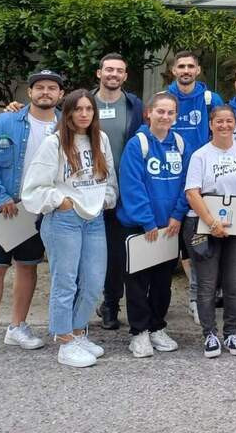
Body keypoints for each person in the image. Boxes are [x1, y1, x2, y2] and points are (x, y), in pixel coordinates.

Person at [0, 69, 62, 369]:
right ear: (29, 93)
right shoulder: (3, 122)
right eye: (40, 87)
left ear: (60, 95)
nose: (46, 92)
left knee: (28, 269)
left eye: (52, 88)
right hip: (1, 211)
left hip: (35, 213)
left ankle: (17, 326)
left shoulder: (64, 128)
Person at [21, 89, 116, 367]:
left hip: (95, 220)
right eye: (78, 109)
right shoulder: (55, 143)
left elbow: (109, 176)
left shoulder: (101, 139)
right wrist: (60, 202)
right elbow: (34, 188)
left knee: (94, 281)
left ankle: (78, 332)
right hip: (64, 221)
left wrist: (106, 199)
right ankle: (64, 341)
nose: (84, 114)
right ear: (69, 112)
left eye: (89, 109)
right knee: (65, 282)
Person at [183, 105, 236, 358]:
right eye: (219, 121)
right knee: (207, 283)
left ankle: (231, 331)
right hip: (204, 223)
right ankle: (209, 334)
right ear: (211, 124)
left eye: (229, 121)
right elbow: (192, 192)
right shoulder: (201, 155)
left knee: (234, 281)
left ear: (235, 124)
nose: (224, 126)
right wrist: (211, 222)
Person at [117, 91, 191, 358]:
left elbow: (187, 183)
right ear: (149, 113)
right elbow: (132, 185)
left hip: (169, 227)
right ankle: (138, 333)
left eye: (170, 112)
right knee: (137, 282)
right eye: (160, 111)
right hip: (141, 227)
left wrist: (177, 215)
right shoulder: (138, 144)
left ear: (176, 116)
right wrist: (147, 221)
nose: (165, 116)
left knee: (162, 282)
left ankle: (157, 326)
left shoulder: (181, 144)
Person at [167, 49, 224, 322]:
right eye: (181, 66)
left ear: (198, 70)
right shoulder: (164, 99)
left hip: (204, 179)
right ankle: (163, 301)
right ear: (173, 70)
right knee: (175, 242)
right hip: (170, 177)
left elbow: (225, 132)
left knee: (200, 241)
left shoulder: (210, 99)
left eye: (190, 66)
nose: (186, 70)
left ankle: (197, 297)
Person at [93, 53, 143, 331]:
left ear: (125, 76)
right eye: (108, 69)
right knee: (87, 251)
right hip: (87, 189)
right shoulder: (83, 103)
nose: (113, 74)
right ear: (99, 73)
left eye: (119, 71)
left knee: (116, 253)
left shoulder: (134, 105)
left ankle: (111, 304)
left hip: (123, 191)